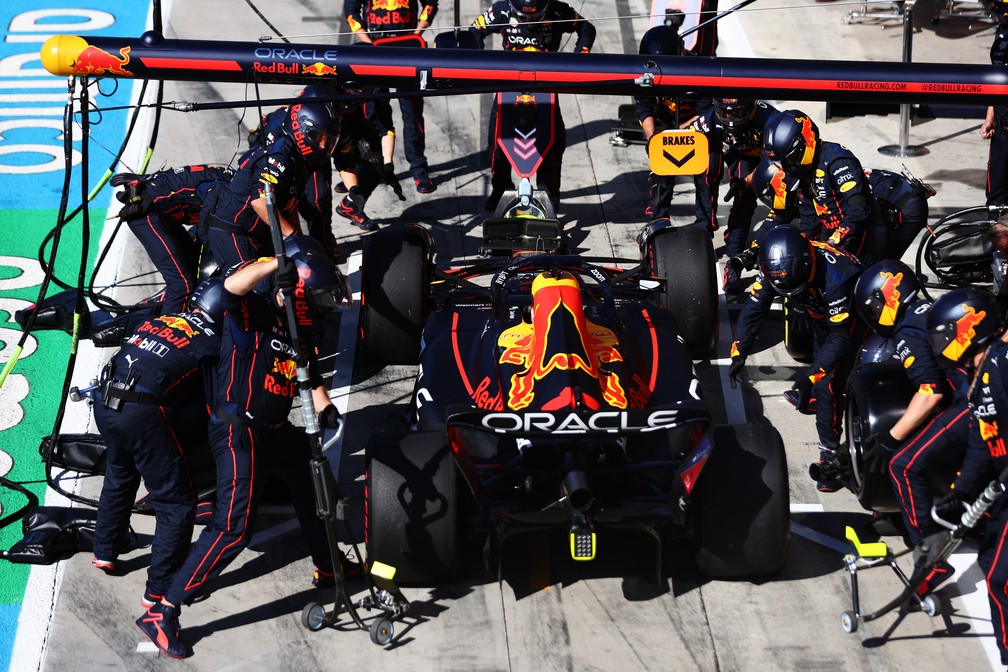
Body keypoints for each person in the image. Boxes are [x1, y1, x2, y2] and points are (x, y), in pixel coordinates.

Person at [135, 236, 351, 659]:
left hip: (273, 429)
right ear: (300, 292)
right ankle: (163, 612)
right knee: (233, 529)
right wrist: (276, 265)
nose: (329, 308)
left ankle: (330, 566)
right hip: (238, 432)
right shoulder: (252, 313)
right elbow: (226, 288)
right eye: (323, 299)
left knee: (314, 481)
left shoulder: (298, 330)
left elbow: (305, 372)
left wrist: (324, 408)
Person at [92, 277, 224, 611]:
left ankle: (104, 551)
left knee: (120, 476)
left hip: (105, 401)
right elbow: (216, 404)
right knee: (176, 503)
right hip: (142, 412)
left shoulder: (158, 318)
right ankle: (161, 588)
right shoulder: (211, 342)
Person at [853, 261, 971, 587]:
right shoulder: (929, 308)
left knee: (903, 466)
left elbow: (931, 391)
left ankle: (930, 556)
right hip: (989, 390)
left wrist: (891, 437)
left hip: (976, 405)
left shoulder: (908, 332)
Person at [726, 225, 865, 492]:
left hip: (854, 320)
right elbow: (754, 309)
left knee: (829, 384)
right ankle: (815, 398)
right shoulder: (775, 269)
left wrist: (811, 377)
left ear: (806, 262)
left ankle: (831, 457)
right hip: (821, 317)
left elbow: (839, 339)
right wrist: (738, 351)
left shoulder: (838, 278)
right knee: (820, 375)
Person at [926, 287, 1008, 665]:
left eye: (943, 334)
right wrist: (962, 492)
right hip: (1002, 491)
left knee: (999, 577)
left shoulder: (1003, 363)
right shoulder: (980, 375)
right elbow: (983, 440)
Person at [469, 0, 596, 212]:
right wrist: (481, 60)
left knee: (553, 144)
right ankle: (500, 189)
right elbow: (475, 30)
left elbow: (586, 27)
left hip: (545, 87)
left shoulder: (558, 10)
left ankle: (548, 195)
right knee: (496, 143)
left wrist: (579, 57)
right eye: (523, 17)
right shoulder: (502, 9)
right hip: (508, 85)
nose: (529, 21)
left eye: (534, 18)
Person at [203, 101, 339, 270]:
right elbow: (259, 202)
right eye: (318, 138)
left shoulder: (299, 161)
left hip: (259, 235)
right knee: (257, 291)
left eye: (328, 141)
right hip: (235, 235)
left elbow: (290, 208)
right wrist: (294, 236)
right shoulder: (280, 155)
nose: (323, 146)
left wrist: (301, 244)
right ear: (300, 130)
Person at [762, 109, 887, 267]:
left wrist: (832, 243)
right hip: (835, 239)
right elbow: (809, 218)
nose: (788, 167)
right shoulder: (806, 172)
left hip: (865, 235)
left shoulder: (838, 161)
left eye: (791, 159)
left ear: (805, 142)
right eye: (783, 162)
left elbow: (859, 210)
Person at [344, 0, 438, 193]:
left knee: (412, 113)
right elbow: (351, 10)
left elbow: (430, 4)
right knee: (371, 114)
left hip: (407, 51)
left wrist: (415, 35)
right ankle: (365, 171)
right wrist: (368, 43)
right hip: (374, 51)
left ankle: (419, 170)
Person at [111, 165, 233, 313]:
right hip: (145, 213)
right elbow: (207, 231)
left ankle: (158, 308)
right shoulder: (227, 192)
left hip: (160, 212)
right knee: (182, 285)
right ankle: (162, 331)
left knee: (192, 266)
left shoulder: (231, 177)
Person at [689, 98, 780, 293]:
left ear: (751, 108)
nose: (729, 117)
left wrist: (746, 181)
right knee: (705, 173)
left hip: (759, 158)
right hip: (728, 147)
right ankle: (703, 229)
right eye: (725, 111)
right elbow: (690, 138)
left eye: (736, 112)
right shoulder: (710, 119)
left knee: (745, 195)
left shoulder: (770, 122)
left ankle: (734, 252)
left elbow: (771, 167)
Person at [634, 18, 718, 222]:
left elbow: (705, 113)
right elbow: (644, 108)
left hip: (700, 125)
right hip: (667, 124)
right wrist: (655, 138)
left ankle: (705, 223)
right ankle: (658, 217)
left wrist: (677, 133)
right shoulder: (645, 72)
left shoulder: (701, 71)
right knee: (660, 167)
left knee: (708, 172)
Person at [982, 1, 1008, 207]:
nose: (1004, 12)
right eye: (1000, 8)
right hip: (1001, 127)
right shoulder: (1000, 40)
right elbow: (994, 83)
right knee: (995, 194)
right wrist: (989, 118)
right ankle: (995, 231)